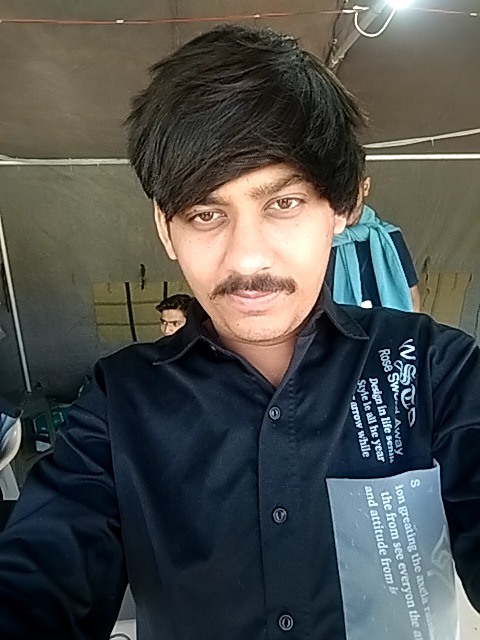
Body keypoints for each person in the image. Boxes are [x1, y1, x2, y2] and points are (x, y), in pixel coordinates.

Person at [0, 24, 479, 640]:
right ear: (166, 228)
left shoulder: (434, 369)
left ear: (341, 209)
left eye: (283, 204)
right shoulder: (121, 402)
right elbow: (40, 571)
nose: (247, 257)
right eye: (206, 213)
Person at [326, 170, 421, 311]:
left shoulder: (390, 237)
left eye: (351, 194)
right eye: (338, 196)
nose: (346, 205)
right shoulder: (320, 242)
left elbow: (411, 297)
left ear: (365, 187)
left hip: (386, 324)